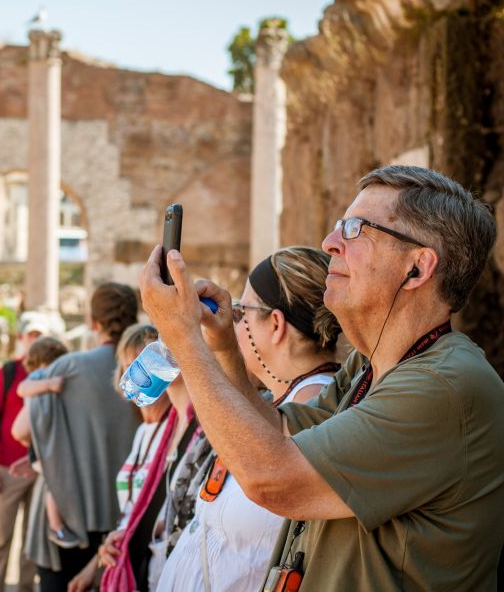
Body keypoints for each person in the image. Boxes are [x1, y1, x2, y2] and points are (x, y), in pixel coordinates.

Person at [140, 165, 504, 590]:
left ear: (417, 268)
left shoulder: (444, 387)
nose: (330, 243)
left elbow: (274, 480)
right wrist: (222, 346)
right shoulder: (371, 367)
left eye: (354, 229)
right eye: (337, 226)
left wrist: (182, 337)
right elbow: (276, 432)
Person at [155, 246, 342, 592]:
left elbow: (264, 474)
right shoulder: (282, 404)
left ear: (275, 324)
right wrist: (223, 346)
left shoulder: (320, 408)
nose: (233, 323)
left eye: (242, 313)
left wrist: (183, 335)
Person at [23, 282, 140, 592]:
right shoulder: (145, 372)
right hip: (127, 521)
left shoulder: (69, 367)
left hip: (70, 518)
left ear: (93, 322)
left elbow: (21, 429)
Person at [66, 324, 194, 592]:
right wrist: (97, 562)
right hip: (130, 561)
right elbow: (131, 514)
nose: (137, 374)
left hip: (157, 565)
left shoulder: (177, 428)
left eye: (143, 362)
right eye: (128, 365)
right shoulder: (142, 434)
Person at [0, 312, 53, 592]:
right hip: (7, 470)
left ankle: (25, 587)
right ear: (22, 338)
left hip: (39, 470)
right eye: (31, 335)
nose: (35, 340)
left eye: (40, 335)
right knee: (1, 538)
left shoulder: (52, 374)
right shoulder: (7, 373)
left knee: (32, 540)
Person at [12, 336, 74, 548]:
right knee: (51, 485)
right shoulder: (42, 376)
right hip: (42, 441)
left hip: (44, 439)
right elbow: (22, 389)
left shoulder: (47, 374)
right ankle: (57, 528)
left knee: (52, 482)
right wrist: (49, 384)